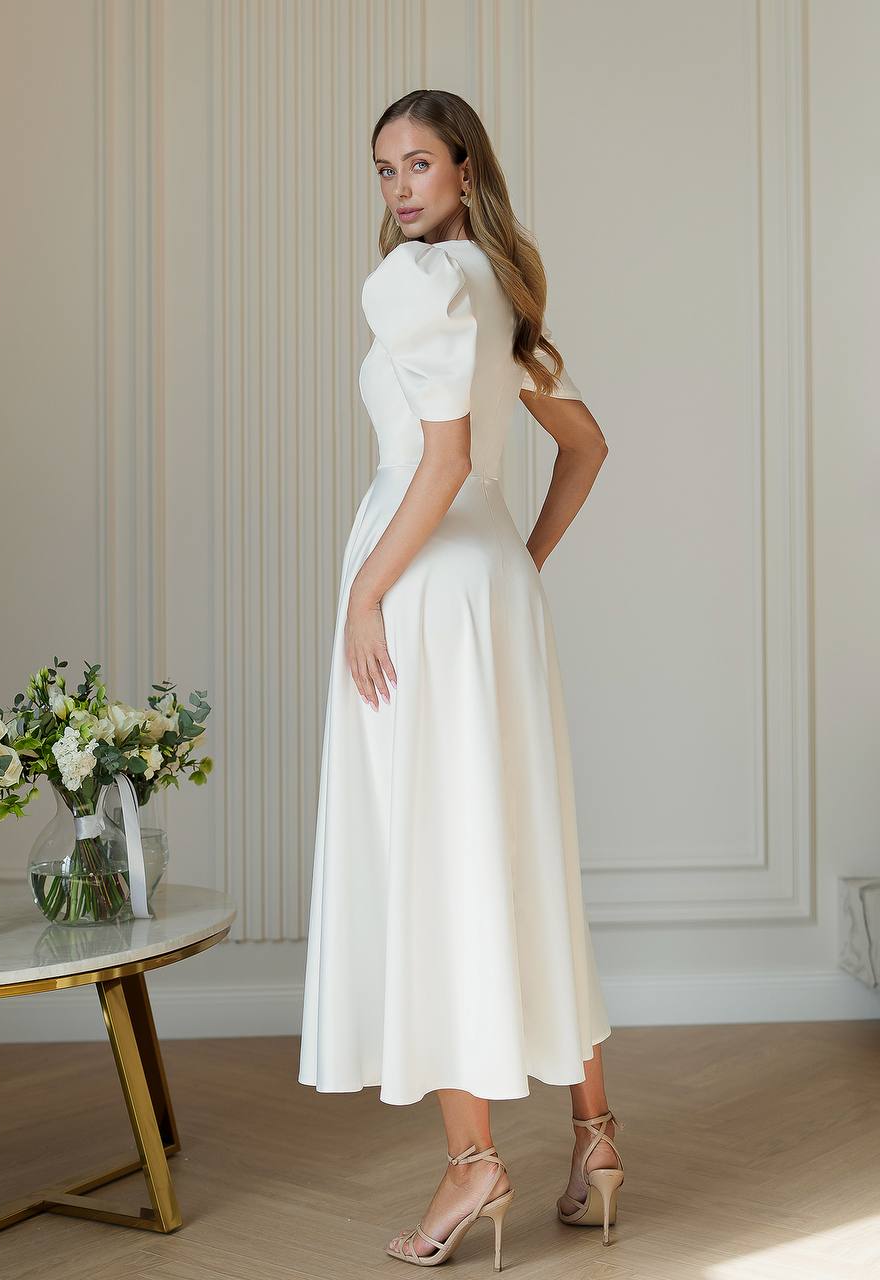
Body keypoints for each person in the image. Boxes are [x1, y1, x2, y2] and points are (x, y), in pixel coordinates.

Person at [297, 88, 624, 1268]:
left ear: (465, 169)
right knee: (521, 847)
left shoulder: (414, 284)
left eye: (418, 164)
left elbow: (435, 461)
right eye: (382, 167)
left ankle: (472, 1163)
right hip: (489, 592)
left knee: (434, 861)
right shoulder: (500, 292)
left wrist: (366, 591)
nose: (396, 186)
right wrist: (521, 560)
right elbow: (582, 445)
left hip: (427, 586)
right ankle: (594, 1140)